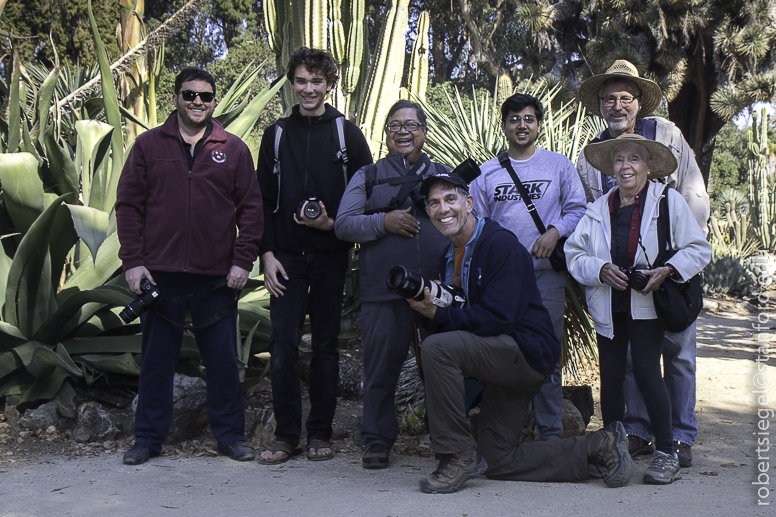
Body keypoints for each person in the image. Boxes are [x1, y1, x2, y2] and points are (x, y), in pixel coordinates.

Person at [406, 169, 634, 494]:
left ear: (469, 203)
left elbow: (499, 318)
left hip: (524, 353)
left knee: (438, 348)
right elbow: (462, 317)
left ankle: (456, 457)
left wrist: (439, 315)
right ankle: (600, 447)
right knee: (498, 460)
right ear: (428, 212)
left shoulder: (499, 244)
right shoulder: (449, 255)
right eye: (434, 203)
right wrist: (429, 307)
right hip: (498, 363)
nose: (443, 208)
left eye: (450, 199)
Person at [116, 67, 264, 465]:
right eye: (189, 94)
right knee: (156, 362)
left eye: (205, 96)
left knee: (222, 361)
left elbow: (251, 210)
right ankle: (148, 439)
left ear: (214, 101)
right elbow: (128, 206)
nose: (198, 101)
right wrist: (133, 263)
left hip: (216, 279)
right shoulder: (148, 146)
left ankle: (230, 437)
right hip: (160, 276)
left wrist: (242, 261)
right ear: (176, 98)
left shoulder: (233, 149)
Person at [576, 60, 711, 467]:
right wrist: (603, 264)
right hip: (623, 284)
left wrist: (674, 262)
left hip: (670, 273)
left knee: (678, 354)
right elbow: (592, 217)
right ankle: (636, 430)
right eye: (609, 99)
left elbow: (692, 195)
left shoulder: (665, 135)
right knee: (635, 360)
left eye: (625, 98)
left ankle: (679, 436)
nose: (617, 106)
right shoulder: (592, 156)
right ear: (600, 104)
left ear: (638, 101)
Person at [254, 48, 373, 465]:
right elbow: (261, 201)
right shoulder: (276, 134)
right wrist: (266, 253)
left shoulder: (347, 135)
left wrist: (331, 224)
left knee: (325, 346)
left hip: (330, 257)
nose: (308, 89)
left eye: (317, 81)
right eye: (302, 81)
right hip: (285, 258)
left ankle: (320, 431)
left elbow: (366, 198)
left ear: (330, 85)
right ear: (292, 83)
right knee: (283, 345)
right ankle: (286, 435)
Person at [335, 100, 450, 469]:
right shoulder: (367, 176)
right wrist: (383, 223)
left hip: (436, 290)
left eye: (411, 125)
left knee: (444, 367)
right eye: (395, 126)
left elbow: (466, 220)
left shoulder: (444, 175)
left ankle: (449, 442)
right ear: (386, 134)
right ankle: (377, 440)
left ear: (424, 132)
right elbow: (343, 224)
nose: (403, 132)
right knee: (380, 369)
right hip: (382, 291)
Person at [471, 93, 586, 441]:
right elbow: (477, 224)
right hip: (503, 281)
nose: (522, 125)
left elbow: (578, 210)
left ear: (538, 125)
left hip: (545, 275)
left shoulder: (558, 165)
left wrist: (554, 232)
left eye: (528, 119)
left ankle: (551, 435)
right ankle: (502, 433)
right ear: (504, 125)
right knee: (501, 351)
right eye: (514, 119)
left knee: (546, 350)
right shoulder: (486, 173)